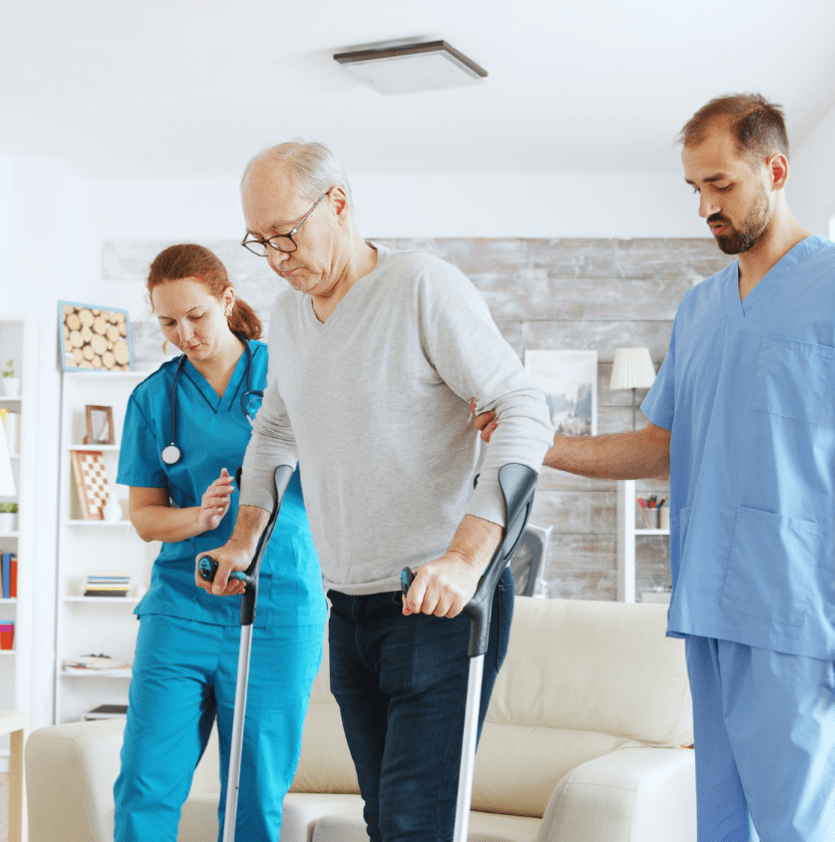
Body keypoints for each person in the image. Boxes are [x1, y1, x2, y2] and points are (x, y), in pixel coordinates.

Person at [198, 141, 553, 841]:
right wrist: (244, 541)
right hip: (350, 609)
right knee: (384, 820)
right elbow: (273, 433)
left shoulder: (421, 286)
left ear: (337, 204)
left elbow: (521, 409)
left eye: (286, 235)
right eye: (260, 241)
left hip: (436, 604)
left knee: (415, 825)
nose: (276, 257)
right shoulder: (292, 315)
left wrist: (465, 557)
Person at [525, 94, 835, 842]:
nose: (704, 207)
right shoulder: (698, 310)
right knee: (722, 827)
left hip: (796, 602)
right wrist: (538, 443)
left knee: (796, 825)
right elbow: (663, 445)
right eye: (694, 189)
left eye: (720, 185)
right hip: (707, 599)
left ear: (777, 171)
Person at [112, 243, 327, 842]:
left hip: (277, 605)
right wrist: (200, 520)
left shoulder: (291, 369)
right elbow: (146, 518)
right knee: (144, 784)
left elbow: (343, 473)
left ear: (226, 301)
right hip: (180, 607)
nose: (184, 333)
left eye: (196, 316)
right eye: (168, 322)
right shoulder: (154, 398)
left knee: (252, 795)